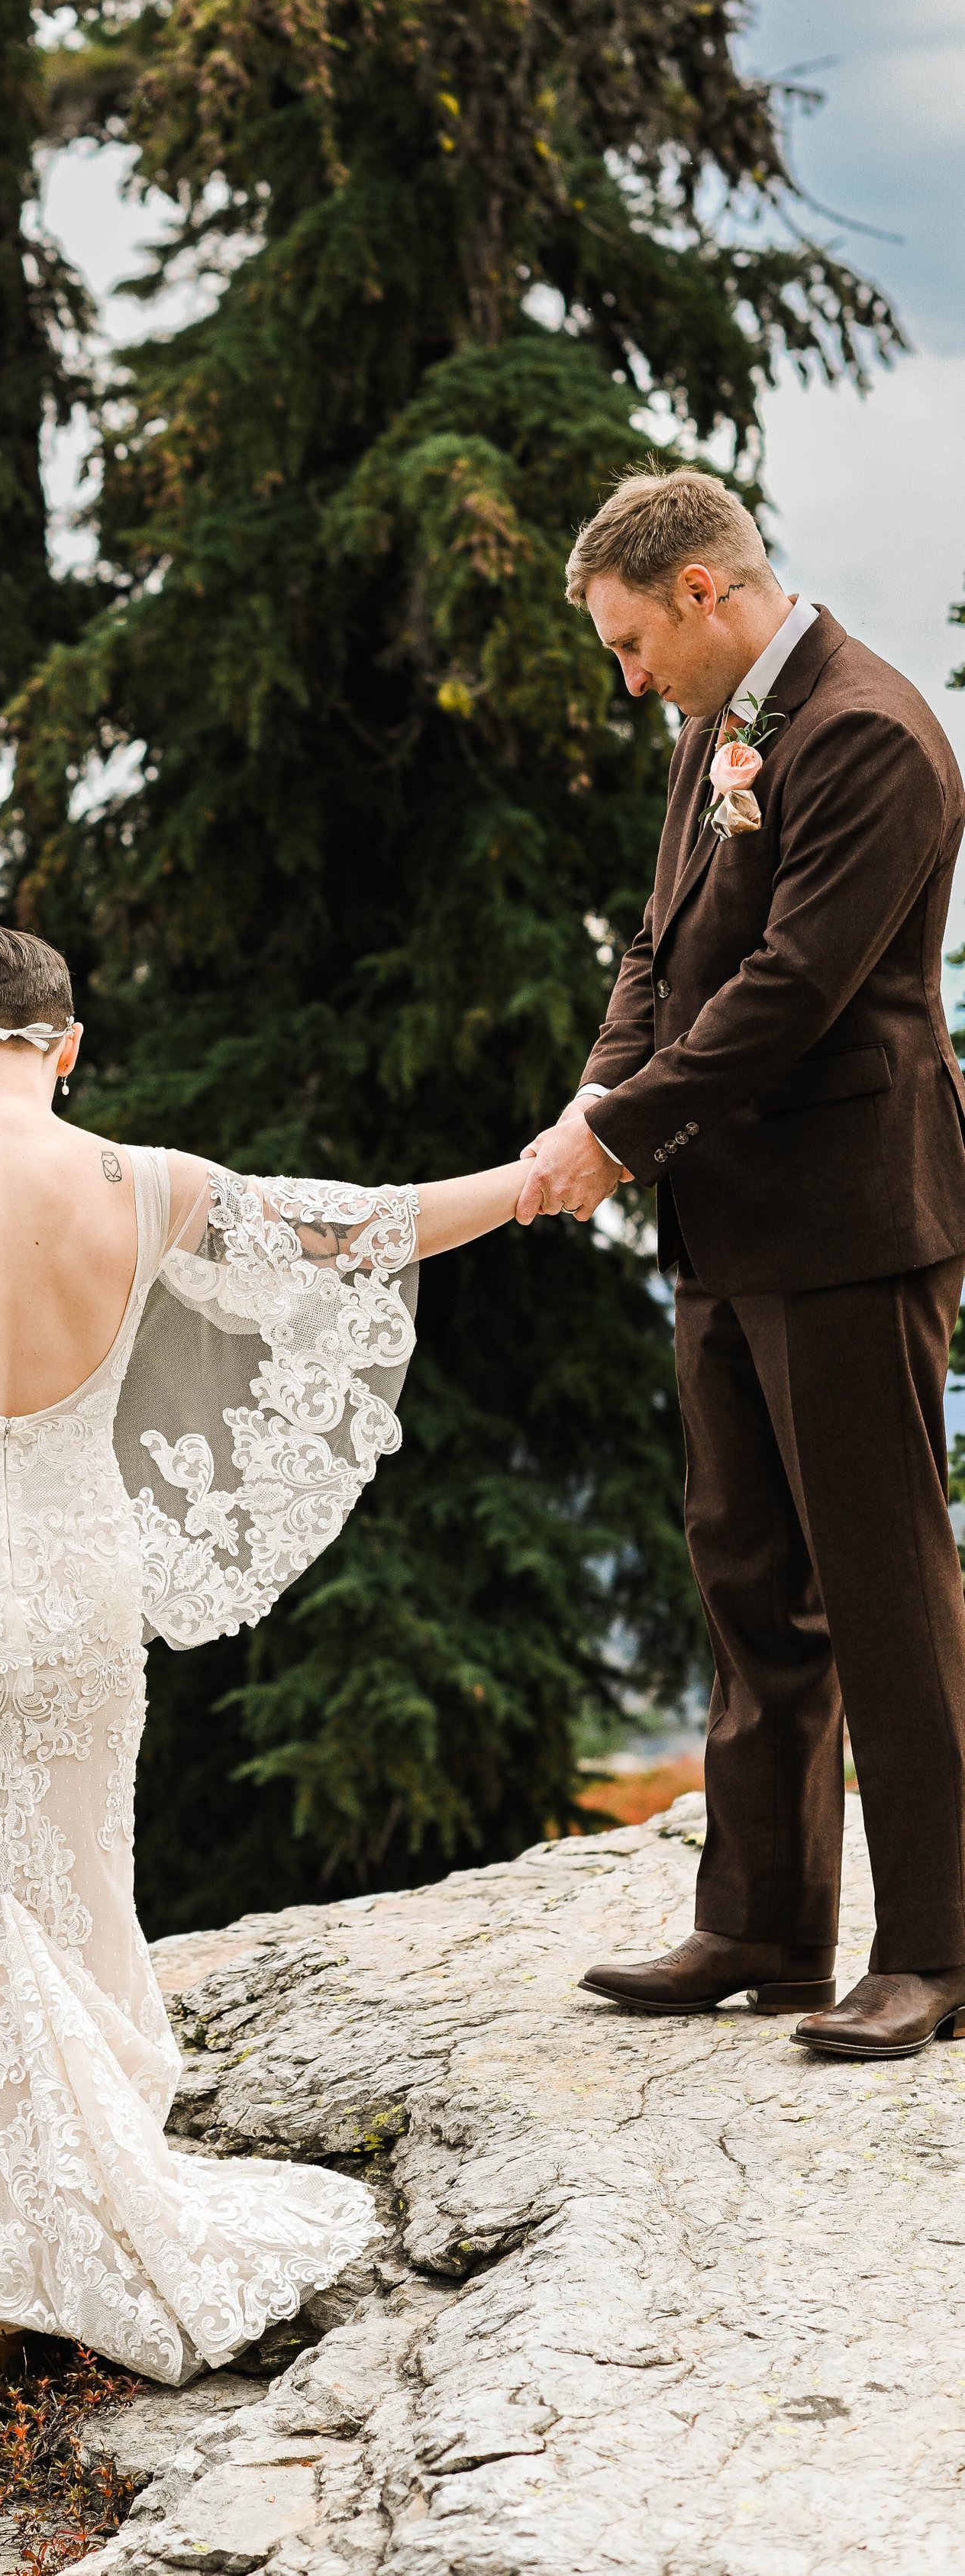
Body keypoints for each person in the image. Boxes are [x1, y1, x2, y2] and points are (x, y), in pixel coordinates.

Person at [0, 925, 528, 2403]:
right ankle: (74, 2257)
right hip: (76, 1599)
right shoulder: (149, 1186)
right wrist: (544, 1172)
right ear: (66, 1046)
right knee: (68, 1909)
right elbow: (363, 1231)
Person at [521, 468, 965, 2061]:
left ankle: (933, 1950)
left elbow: (790, 989)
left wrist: (617, 1134)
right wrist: (594, 1100)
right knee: (744, 1575)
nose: (624, 676)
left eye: (632, 641)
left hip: (851, 1219)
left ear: (705, 590)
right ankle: (761, 1926)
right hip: (721, 1219)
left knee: (881, 1590)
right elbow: (656, 949)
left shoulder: (867, 732)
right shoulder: (710, 733)